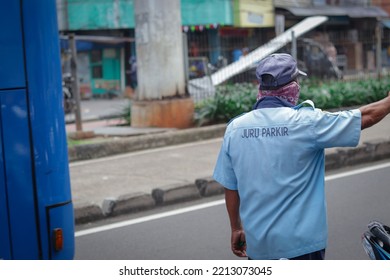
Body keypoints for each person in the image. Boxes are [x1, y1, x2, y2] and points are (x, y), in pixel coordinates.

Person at [212, 53, 390, 260]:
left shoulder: (235, 129)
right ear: (292, 87)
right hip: (302, 247)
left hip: (258, 247)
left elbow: (230, 186)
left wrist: (236, 228)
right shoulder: (306, 123)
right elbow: (364, 117)